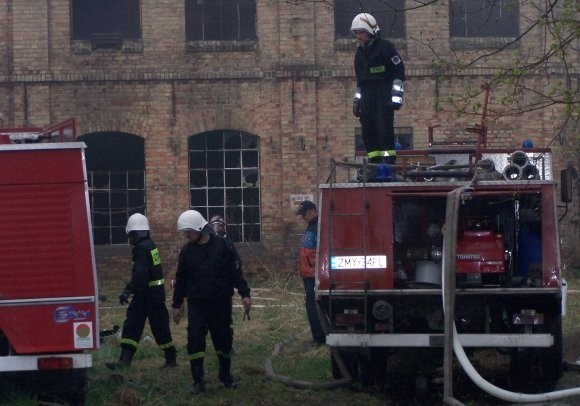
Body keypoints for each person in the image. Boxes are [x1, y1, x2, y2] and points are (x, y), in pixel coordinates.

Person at [171, 210, 252, 394]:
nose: (186, 235)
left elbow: (235, 273)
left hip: (220, 302)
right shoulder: (187, 251)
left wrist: (245, 294)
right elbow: (181, 279)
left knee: (224, 340)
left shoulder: (223, 247)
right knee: (195, 340)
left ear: (200, 228)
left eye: (189, 231)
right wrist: (177, 305)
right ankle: (198, 381)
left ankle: (225, 376)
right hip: (197, 304)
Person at [106, 213, 177, 370]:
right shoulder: (150, 245)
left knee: (157, 327)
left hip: (148, 296)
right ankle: (124, 361)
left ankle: (171, 358)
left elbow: (141, 275)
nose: (130, 239)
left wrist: (127, 290)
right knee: (134, 324)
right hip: (151, 295)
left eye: (130, 235)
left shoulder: (141, 249)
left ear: (134, 233)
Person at [351, 12, 406, 165]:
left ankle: (389, 162)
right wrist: (357, 100)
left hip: (384, 92)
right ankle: (374, 161)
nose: (358, 36)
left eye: (361, 32)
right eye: (356, 33)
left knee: (384, 127)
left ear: (370, 31)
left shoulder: (386, 48)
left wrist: (396, 97)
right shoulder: (360, 53)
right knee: (368, 129)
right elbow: (360, 82)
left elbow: (398, 73)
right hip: (368, 95)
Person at [296, 200, 325, 345]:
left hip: (313, 274)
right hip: (309, 273)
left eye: (304, 214)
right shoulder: (312, 226)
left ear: (313, 211)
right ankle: (319, 336)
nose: (303, 217)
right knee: (311, 305)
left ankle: (319, 338)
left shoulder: (318, 226)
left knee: (313, 306)